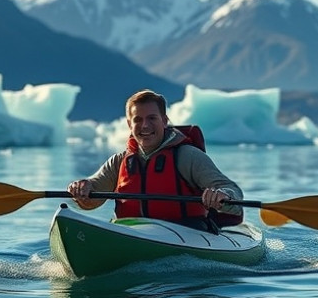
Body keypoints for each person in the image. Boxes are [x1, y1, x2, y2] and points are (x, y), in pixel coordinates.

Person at [67, 89, 243, 232]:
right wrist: (83, 189)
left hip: (186, 232)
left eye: (152, 118)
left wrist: (223, 196)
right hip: (131, 232)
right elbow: (93, 195)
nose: (145, 126)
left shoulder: (188, 156)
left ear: (165, 121)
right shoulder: (119, 161)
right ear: (129, 125)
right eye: (138, 120)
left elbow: (232, 191)